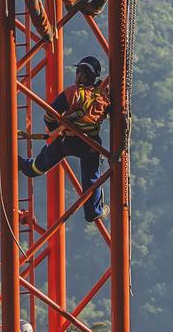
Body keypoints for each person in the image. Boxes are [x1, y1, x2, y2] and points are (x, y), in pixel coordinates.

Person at [19, 56, 110, 225]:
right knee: (92, 179)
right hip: (90, 145)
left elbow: (49, 114)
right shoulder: (104, 96)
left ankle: (17, 163)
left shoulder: (72, 93)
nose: (75, 74)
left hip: (66, 142)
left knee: (36, 168)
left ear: (83, 74)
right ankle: (94, 211)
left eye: (78, 71)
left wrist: (53, 131)